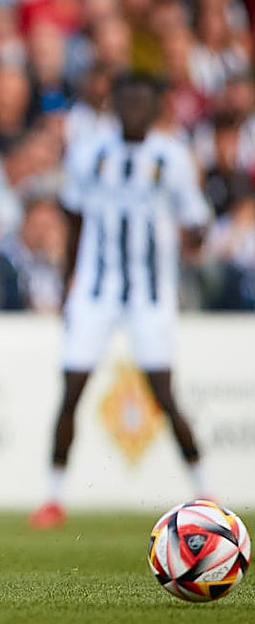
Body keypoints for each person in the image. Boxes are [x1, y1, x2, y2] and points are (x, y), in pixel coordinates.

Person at [29, 73, 213, 529]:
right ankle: (53, 498)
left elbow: (196, 219)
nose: (133, 109)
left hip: (150, 293)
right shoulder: (92, 151)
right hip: (96, 288)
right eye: (125, 100)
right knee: (72, 387)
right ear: (113, 104)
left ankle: (205, 490)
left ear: (156, 107)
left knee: (164, 392)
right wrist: (68, 281)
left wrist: (197, 234)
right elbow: (72, 219)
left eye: (142, 101)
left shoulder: (172, 157)